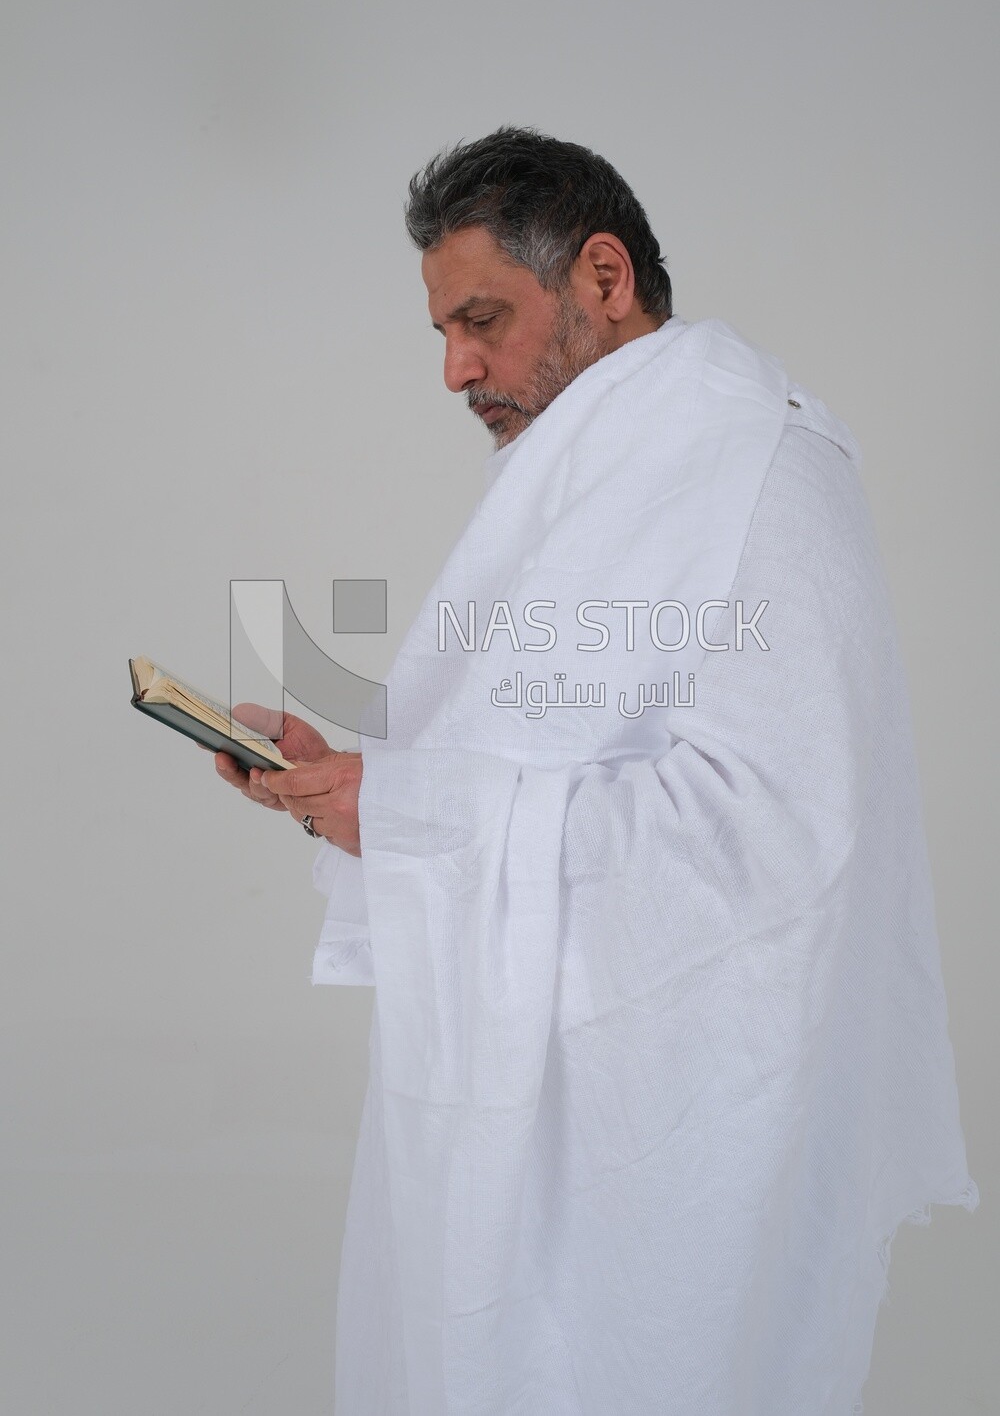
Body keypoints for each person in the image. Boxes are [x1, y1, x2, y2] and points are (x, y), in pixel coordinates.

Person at [214, 127, 977, 1415]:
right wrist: (357, 798)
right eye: (445, 332)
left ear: (603, 279)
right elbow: (519, 758)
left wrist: (398, 813)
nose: (456, 368)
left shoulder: (760, 466)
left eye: (483, 320)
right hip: (523, 1107)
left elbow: (775, 838)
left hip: (671, 1142)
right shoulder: (599, 474)